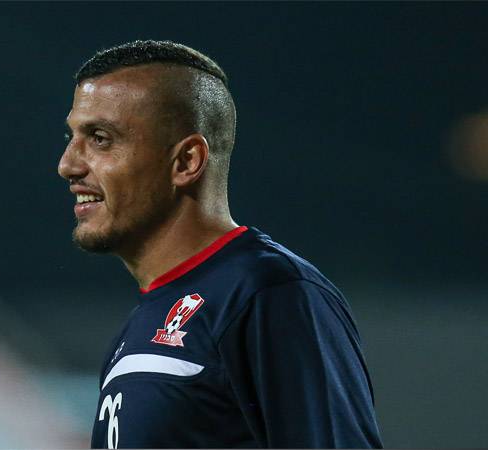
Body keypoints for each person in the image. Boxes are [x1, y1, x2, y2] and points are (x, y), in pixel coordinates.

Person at [58, 40, 382, 449]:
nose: (68, 164)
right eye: (72, 136)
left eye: (100, 138)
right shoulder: (141, 324)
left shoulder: (267, 292)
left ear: (186, 161)